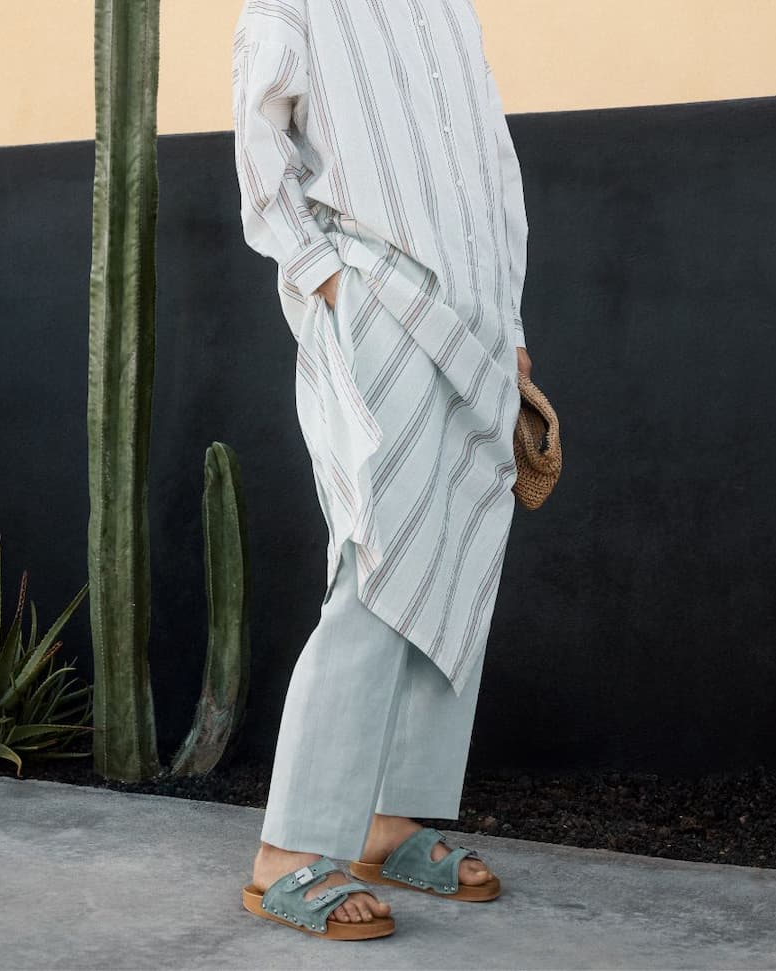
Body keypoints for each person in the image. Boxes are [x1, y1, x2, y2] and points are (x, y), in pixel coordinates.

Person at [232, 0, 533, 940]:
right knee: (378, 552)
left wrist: (512, 327)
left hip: (477, 318)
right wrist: (321, 271)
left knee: (456, 551)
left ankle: (379, 817)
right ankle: (287, 847)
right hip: (372, 293)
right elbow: (259, 127)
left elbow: (488, 166)